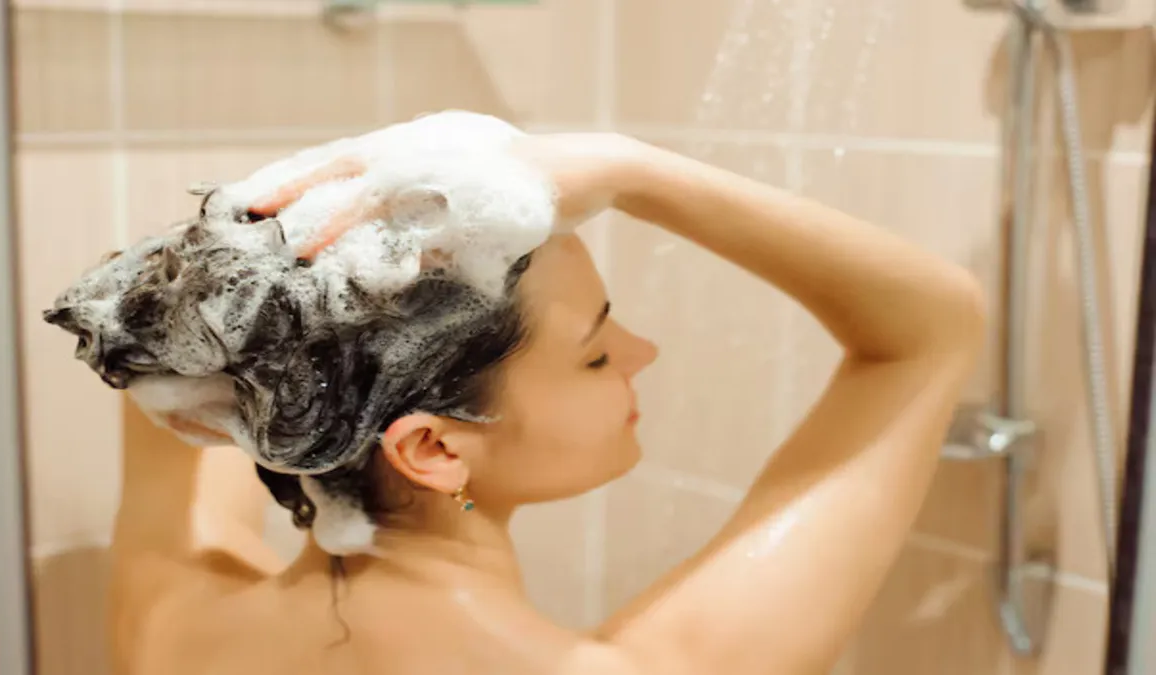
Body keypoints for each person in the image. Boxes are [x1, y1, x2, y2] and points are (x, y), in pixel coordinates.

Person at [109, 131, 985, 675]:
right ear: (433, 449)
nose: (642, 353)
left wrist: (292, 273)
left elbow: (179, 352)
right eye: (596, 354)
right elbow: (930, 329)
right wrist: (631, 169)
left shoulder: (173, 622)